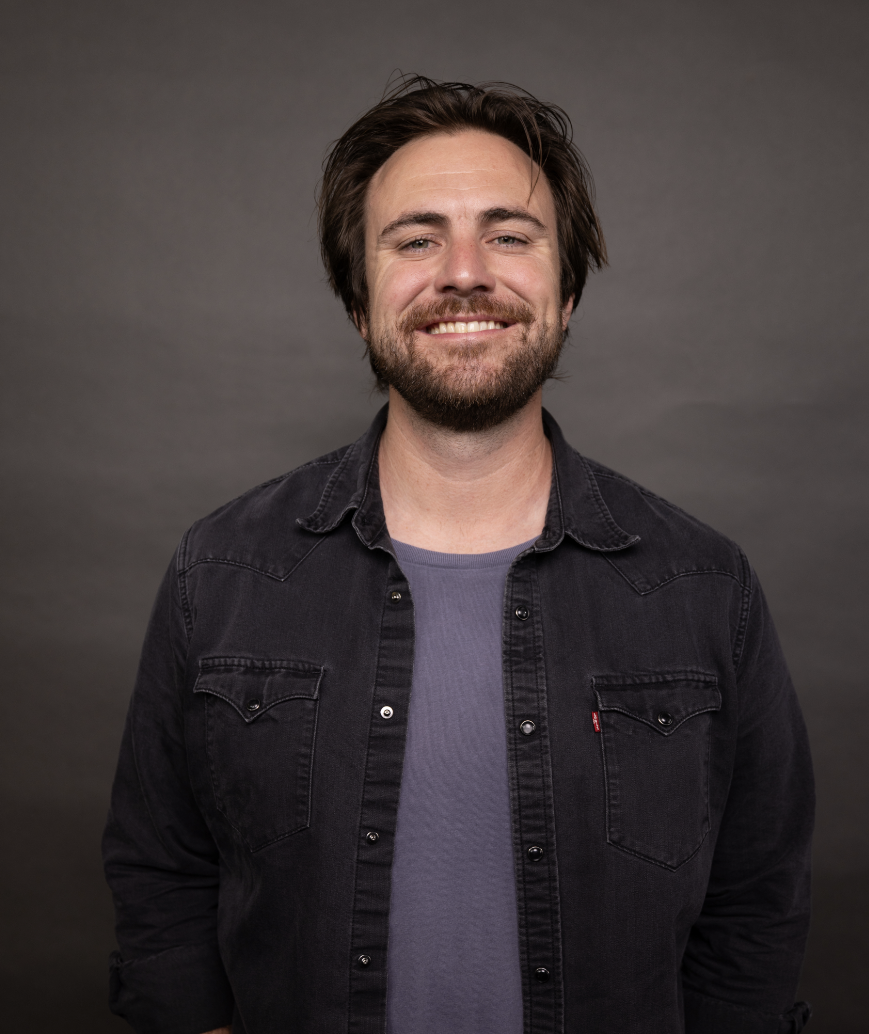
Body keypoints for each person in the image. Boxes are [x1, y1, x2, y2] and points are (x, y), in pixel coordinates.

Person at [103, 77, 814, 1034]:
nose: (465, 272)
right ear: (360, 301)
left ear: (566, 292)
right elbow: (165, 874)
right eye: (416, 238)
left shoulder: (702, 587)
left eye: (510, 235)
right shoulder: (221, 573)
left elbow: (755, 903)